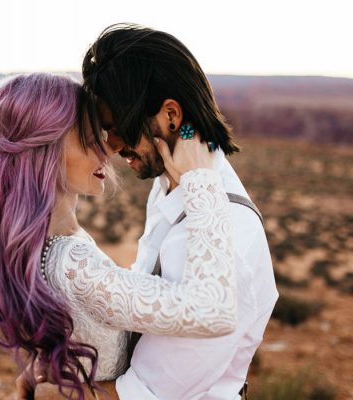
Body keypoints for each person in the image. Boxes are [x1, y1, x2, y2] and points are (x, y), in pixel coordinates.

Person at [0, 72, 238, 400]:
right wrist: (201, 181)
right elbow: (214, 311)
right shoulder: (73, 263)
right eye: (88, 137)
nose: (107, 150)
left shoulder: (37, 243)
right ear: (45, 151)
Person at [81, 24, 279, 400]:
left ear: (171, 115)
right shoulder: (170, 186)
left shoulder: (224, 229)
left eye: (119, 126)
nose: (111, 145)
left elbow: (149, 393)